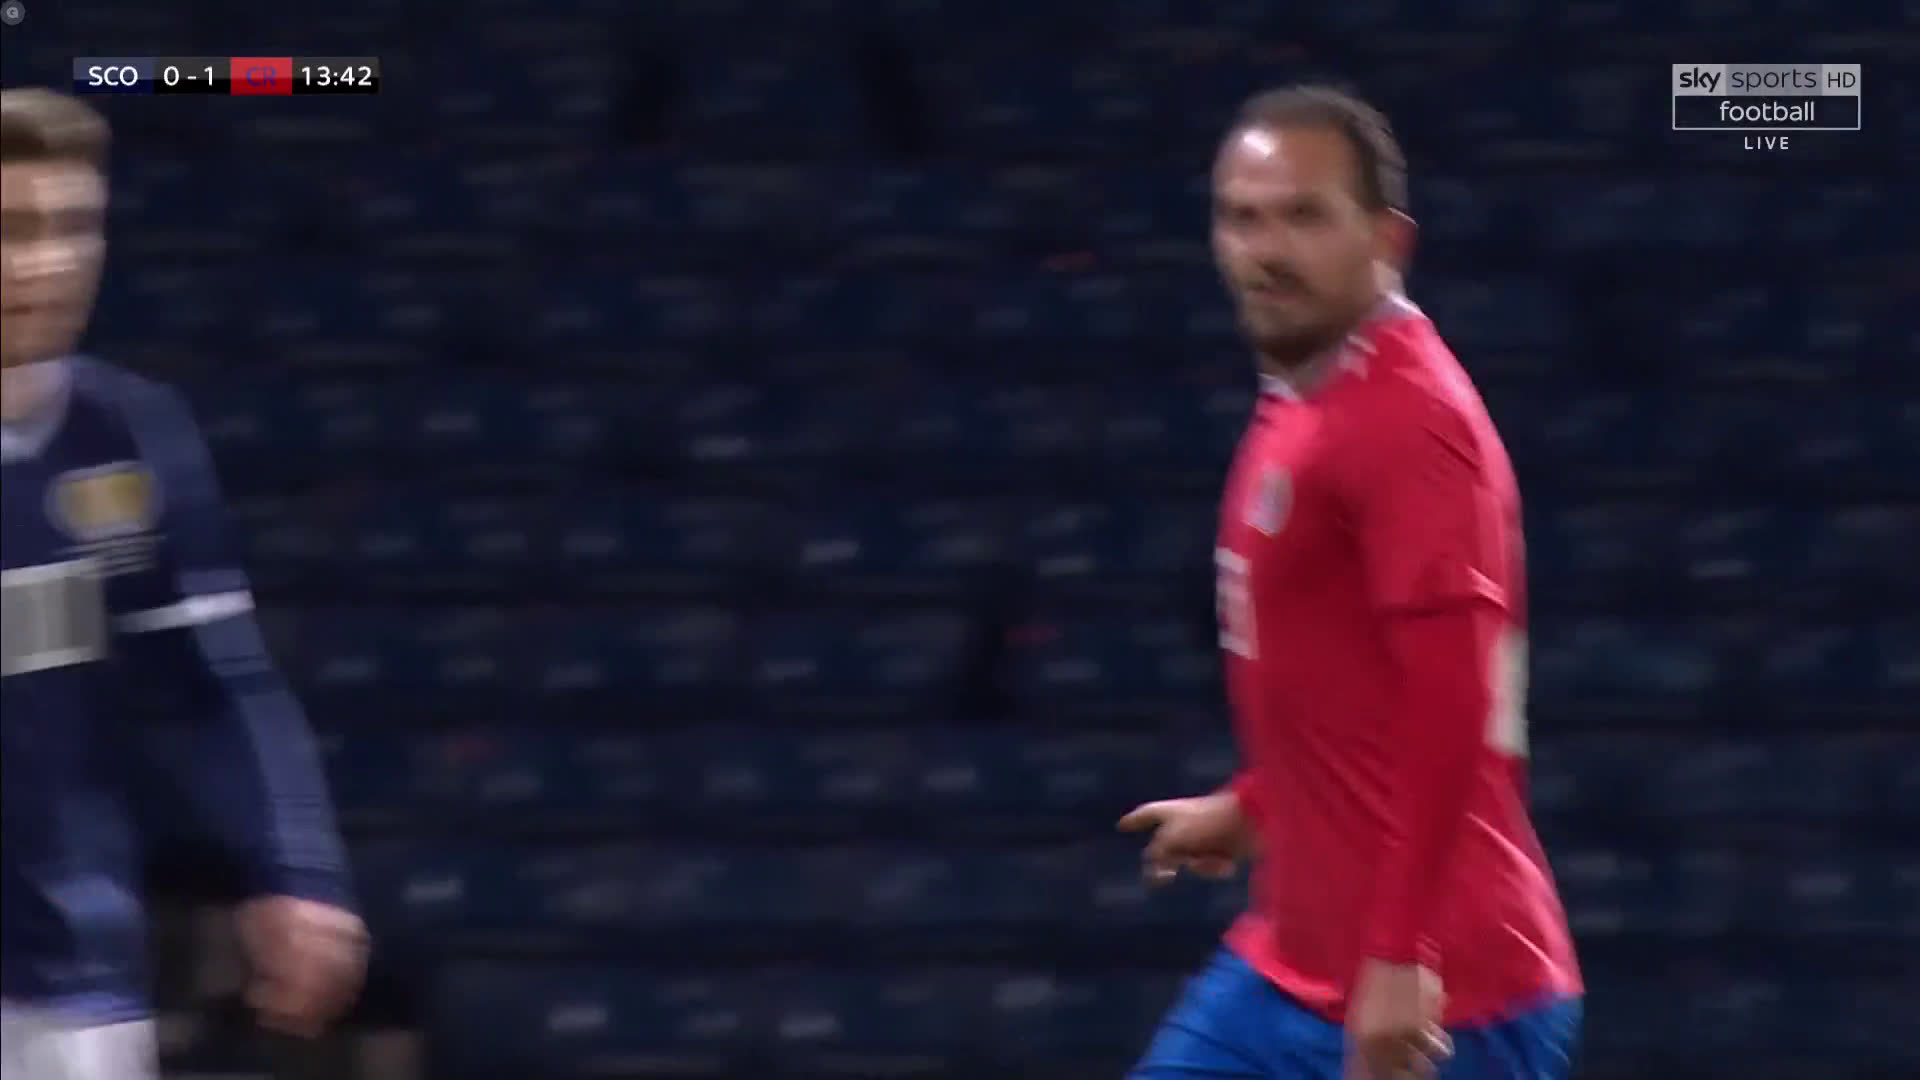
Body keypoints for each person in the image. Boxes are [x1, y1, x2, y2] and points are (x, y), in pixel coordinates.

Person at [1118, 86, 1583, 1080]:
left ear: (1388, 240)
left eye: (1304, 216)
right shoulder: (1311, 390)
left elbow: (1453, 696)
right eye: (1242, 218)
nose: (1267, 250)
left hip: (1447, 993)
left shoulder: (1409, 420)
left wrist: (1403, 954)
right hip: (1289, 963)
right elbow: (1345, 678)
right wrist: (1257, 804)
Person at [1, 88, 366, 1078]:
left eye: (72, 227)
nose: (45, 262)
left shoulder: (128, 435)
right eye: (12, 230)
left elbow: (216, 684)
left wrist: (294, 871)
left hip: (70, 985)